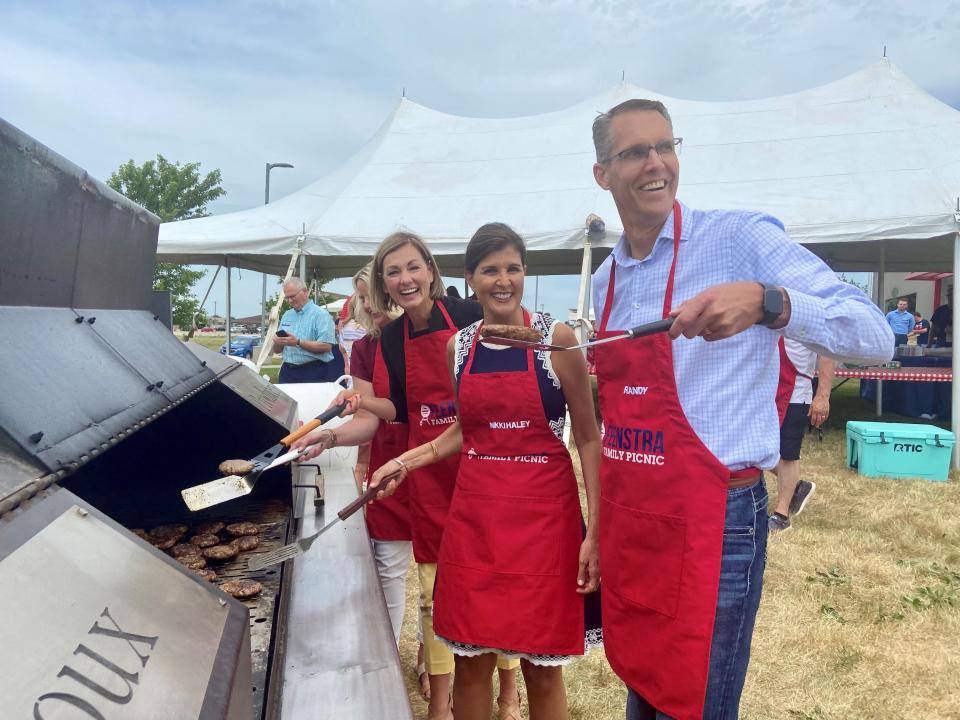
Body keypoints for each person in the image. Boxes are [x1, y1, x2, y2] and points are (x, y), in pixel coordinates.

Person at [588, 98, 893, 720]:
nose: (656, 163)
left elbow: (875, 336)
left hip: (715, 516)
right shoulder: (607, 279)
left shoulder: (737, 239)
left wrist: (769, 302)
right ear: (603, 173)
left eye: (666, 146)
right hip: (638, 520)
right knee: (643, 686)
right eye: (634, 151)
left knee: (697, 704)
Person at [369, 223, 603, 720]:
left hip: (545, 523)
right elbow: (464, 431)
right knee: (469, 661)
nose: (503, 280)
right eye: (490, 270)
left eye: (512, 268)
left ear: (524, 273)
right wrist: (403, 462)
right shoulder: (461, 345)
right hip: (475, 523)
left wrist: (596, 533)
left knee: (542, 668)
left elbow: (587, 436)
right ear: (469, 278)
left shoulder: (555, 339)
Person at [292, 232, 520, 720]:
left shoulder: (467, 317)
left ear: (431, 271)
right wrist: (341, 421)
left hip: (488, 464)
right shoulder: (390, 341)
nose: (405, 279)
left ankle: (508, 689)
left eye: (413, 267)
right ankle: (440, 701)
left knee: (499, 585)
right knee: (437, 592)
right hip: (433, 475)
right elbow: (399, 411)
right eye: (393, 272)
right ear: (382, 283)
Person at [768, 338, 835, 533]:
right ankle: (796, 486)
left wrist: (822, 395)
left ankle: (781, 515)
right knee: (754, 450)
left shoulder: (808, 311)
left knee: (788, 453)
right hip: (764, 390)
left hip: (794, 392)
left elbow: (826, 353)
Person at [273, 278, 341, 382]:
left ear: (305, 292)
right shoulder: (287, 315)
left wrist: (298, 342)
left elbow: (326, 346)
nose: (290, 300)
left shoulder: (321, 315)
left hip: (313, 370)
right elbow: (277, 350)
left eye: (293, 296)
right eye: (287, 298)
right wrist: (278, 342)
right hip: (287, 371)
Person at [339, 294, 369, 373]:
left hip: (349, 369)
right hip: (365, 371)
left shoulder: (344, 327)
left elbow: (342, 349)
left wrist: (347, 367)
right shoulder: (367, 327)